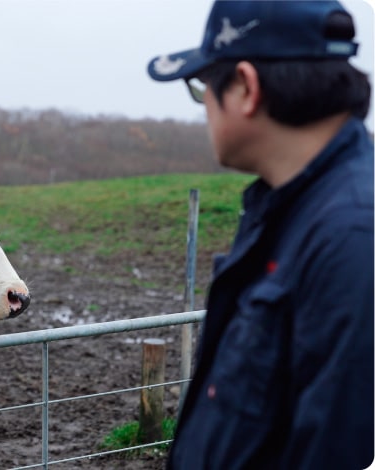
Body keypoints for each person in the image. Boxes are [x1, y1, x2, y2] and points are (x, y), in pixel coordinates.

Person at [147, 1, 373, 469]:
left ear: (246, 88)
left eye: (204, 87)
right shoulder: (293, 209)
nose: (204, 105)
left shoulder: (353, 238)